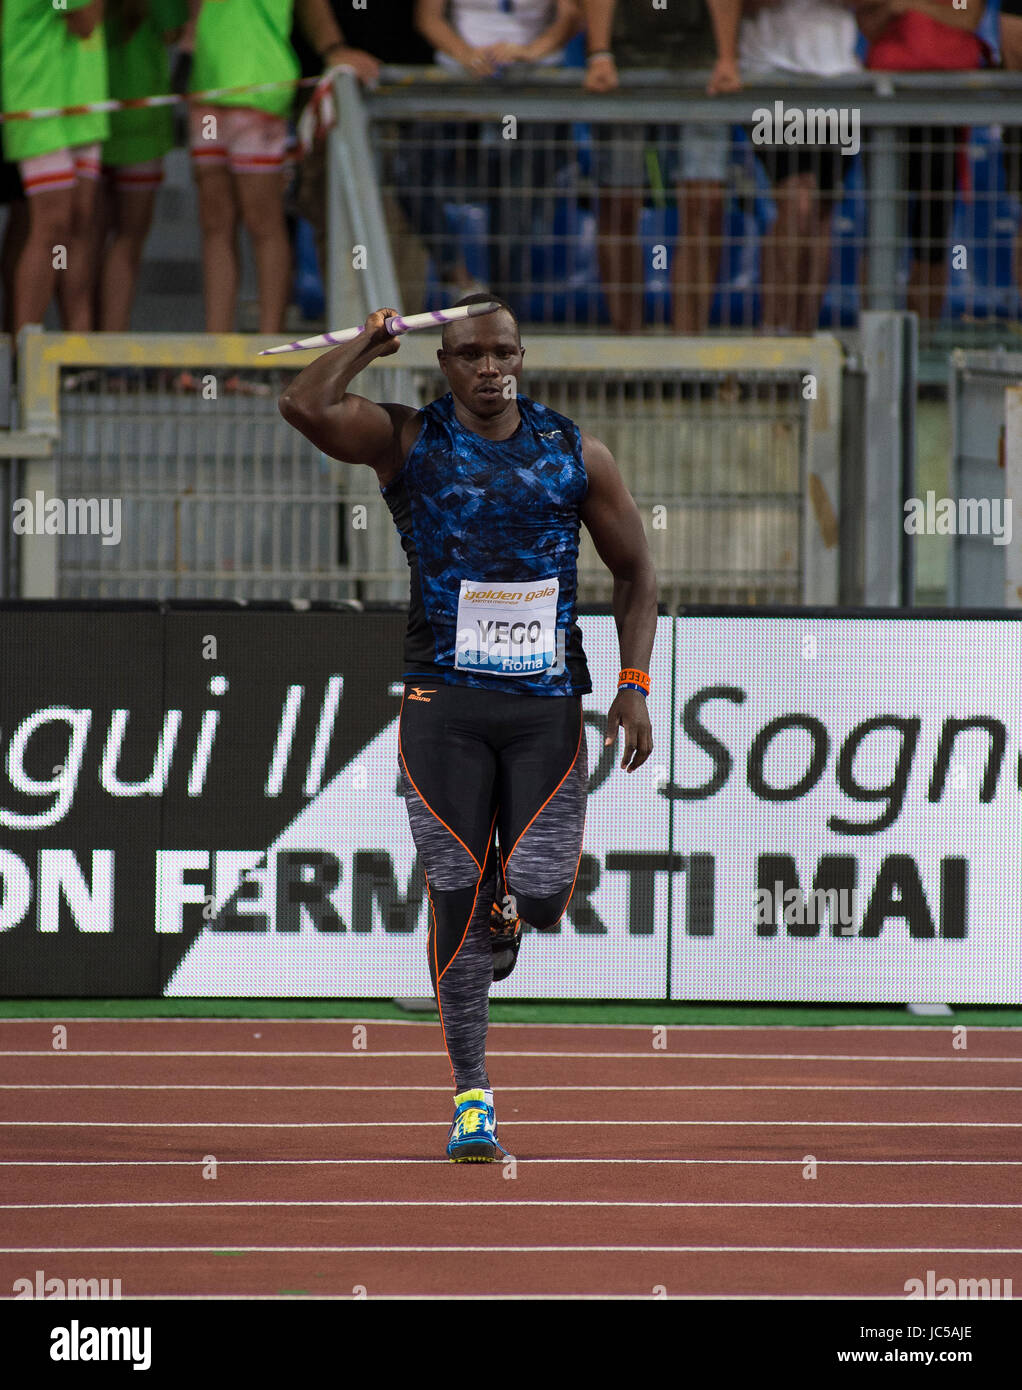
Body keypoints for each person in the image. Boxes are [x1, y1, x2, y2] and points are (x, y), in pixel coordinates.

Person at [278, 295, 657, 1161]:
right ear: (443, 366)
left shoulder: (571, 453)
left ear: (522, 357)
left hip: (546, 704)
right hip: (442, 703)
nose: (490, 368)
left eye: (504, 352)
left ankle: (510, 901)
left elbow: (637, 572)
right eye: (471, 355)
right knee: (453, 887)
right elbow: (303, 406)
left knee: (543, 896)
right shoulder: (410, 441)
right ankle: (472, 1097)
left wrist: (633, 686)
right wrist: (368, 347)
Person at [413, 0, 582, 306]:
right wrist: (466, 55)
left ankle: (503, 316)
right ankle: (460, 279)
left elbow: (571, 14)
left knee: (515, 208)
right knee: (408, 173)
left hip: (533, 88)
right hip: (455, 85)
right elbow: (428, 18)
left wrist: (531, 51)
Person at [708, 0, 862, 333]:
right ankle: (774, 334)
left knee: (820, 213)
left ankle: (804, 339)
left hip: (838, 78)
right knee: (797, 199)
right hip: (769, 76)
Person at [582, 0, 732, 333]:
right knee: (618, 204)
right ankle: (628, 346)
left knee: (705, 204)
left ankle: (688, 352)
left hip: (699, 64)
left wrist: (727, 56)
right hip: (623, 64)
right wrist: (599, 53)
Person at [1, 0, 109, 339]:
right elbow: (86, 18)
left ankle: (77, 350)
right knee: (51, 227)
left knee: (77, 228)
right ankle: (26, 354)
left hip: (82, 104)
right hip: (38, 104)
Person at [94, 0, 191, 333]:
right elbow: (174, 31)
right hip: (141, 124)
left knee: (83, 240)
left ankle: (79, 346)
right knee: (128, 240)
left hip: (87, 117)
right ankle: (110, 349)